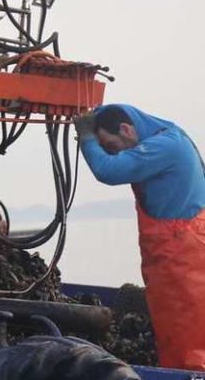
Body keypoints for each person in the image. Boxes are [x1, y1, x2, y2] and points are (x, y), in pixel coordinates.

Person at [76, 104, 205, 370]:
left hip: (185, 256)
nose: (114, 154)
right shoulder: (162, 138)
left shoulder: (166, 147)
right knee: (172, 334)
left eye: (112, 146)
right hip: (171, 258)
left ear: (126, 129)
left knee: (189, 341)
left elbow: (108, 171)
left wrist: (87, 137)